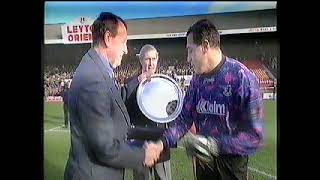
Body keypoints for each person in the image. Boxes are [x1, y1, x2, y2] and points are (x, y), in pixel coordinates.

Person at [145, 19, 264, 180]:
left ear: (205, 46)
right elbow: (183, 120)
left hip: (232, 169)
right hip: (203, 168)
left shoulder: (243, 78)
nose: (188, 58)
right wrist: (161, 144)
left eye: (190, 50)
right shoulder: (197, 81)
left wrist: (213, 145)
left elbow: (254, 137)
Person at [64, 12, 159, 180]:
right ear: (108, 38)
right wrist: (143, 156)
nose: (126, 49)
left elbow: (114, 105)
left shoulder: (97, 69)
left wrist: (156, 134)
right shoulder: (92, 79)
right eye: (123, 42)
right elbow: (106, 148)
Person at [125, 44, 172, 180]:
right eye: (147, 59)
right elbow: (126, 110)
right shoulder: (131, 83)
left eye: (153, 59)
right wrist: (138, 82)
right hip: (140, 144)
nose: (151, 63)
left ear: (157, 59)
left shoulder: (164, 83)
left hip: (160, 143)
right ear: (141, 61)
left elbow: (171, 111)